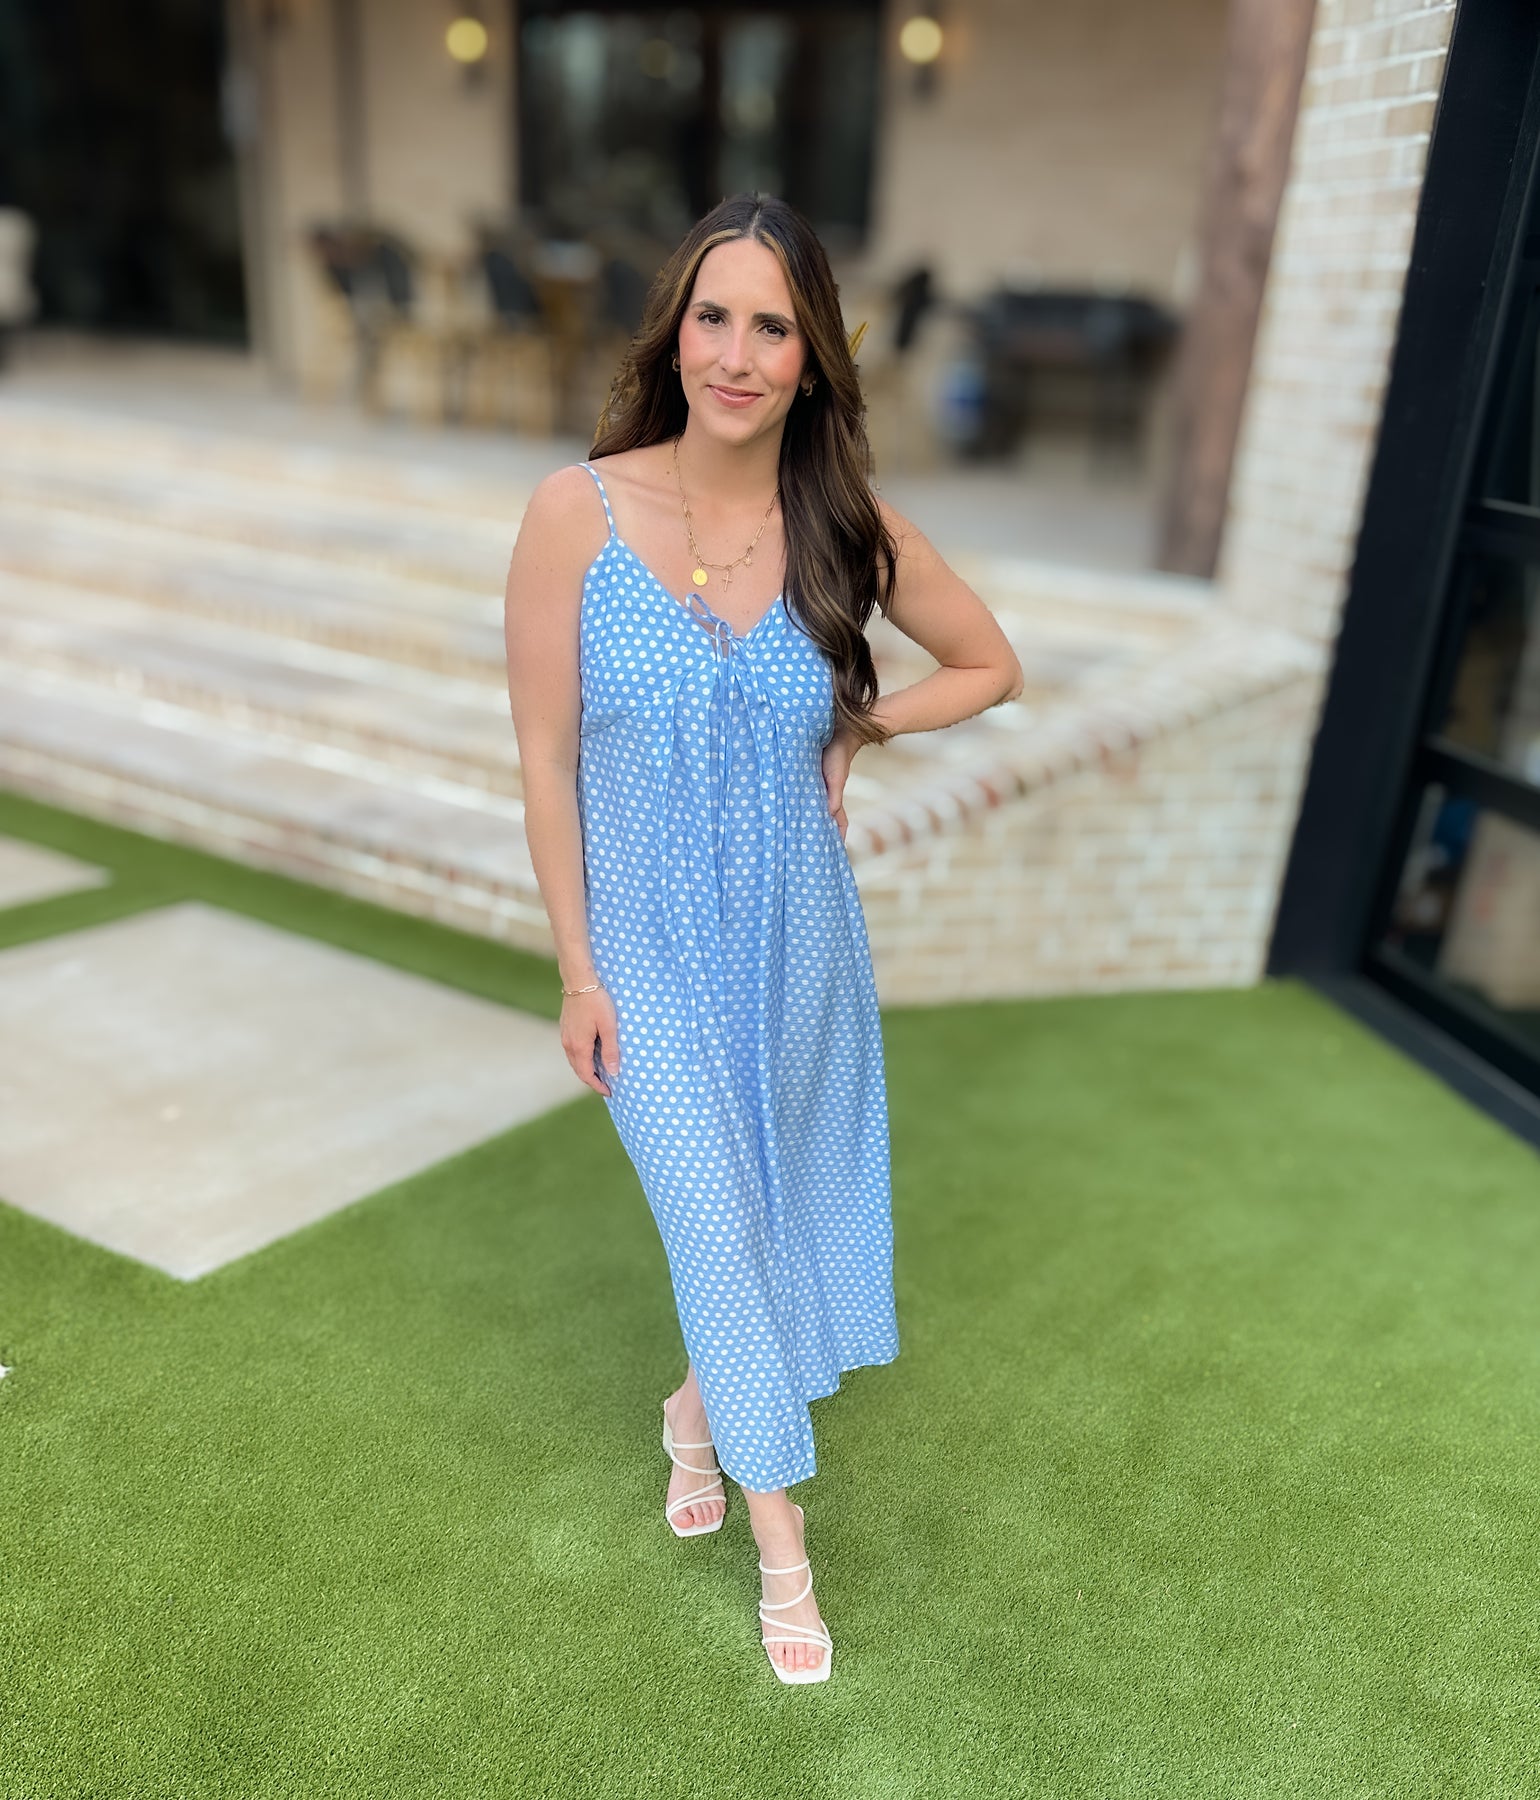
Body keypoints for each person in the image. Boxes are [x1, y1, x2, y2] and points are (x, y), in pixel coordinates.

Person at [503, 192, 1023, 1684]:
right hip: (644, 957)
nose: (736, 355)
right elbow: (544, 761)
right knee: (717, 1224)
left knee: (768, 1207)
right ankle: (782, 1543)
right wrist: (579, 971)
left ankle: (695, 1411)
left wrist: (861, 724)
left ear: (813, 359)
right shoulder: (575, 512)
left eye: (773, 327)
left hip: (799, 951)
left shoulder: (846, 529)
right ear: (676, 333)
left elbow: (989, 665)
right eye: (713, 317)